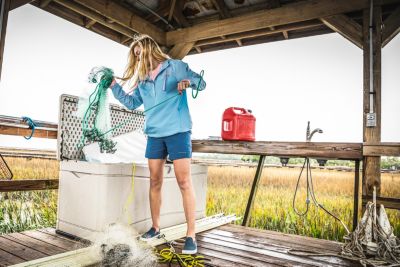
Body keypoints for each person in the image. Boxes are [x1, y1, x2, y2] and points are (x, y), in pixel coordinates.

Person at [108, 34, 206, 254]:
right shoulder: (143, 80)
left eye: (139, 51)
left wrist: (188, 82)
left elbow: (202, 83)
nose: (137, 57)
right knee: (154, 181)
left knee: (183, 181)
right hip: (154, 134)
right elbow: (132, 103)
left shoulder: (175, 67)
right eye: (134, 54)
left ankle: (191, 235)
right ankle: (155, 227)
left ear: (149, 48)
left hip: (178, 131)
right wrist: (114, 85)